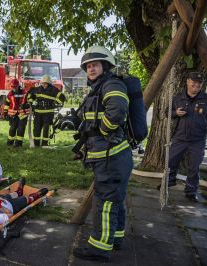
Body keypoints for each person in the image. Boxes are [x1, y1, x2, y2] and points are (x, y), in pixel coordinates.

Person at [72, 46, 133, 262]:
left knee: (105, 203)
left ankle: (99, 248)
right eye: (88, 66)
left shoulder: (112, 84)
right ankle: (115, 238)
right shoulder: (98, 88)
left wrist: (104, 131)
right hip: (110, 158)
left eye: (95, 65)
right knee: (115, 199)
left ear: (105, 66)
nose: (91, 69)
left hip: (111, 157)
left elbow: (116, 111)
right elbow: (87, 116)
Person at [158, 72, 207, 202]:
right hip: (179, 138)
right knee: (170, 161)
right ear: (187, 81)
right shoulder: (177, 98)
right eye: (194, 84)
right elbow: (167, 112)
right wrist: (175, 113)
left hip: (198, 140)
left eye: (199, 85)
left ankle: (191, 191)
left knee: (194, 166)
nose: (196, 87)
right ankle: (169, 181)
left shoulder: (205, 99)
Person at [27, 74, 65, 146]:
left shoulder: (54, 90)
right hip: (38, 113)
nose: (44, 85)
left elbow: (62, 98)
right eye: (43, 83)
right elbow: (30, 96)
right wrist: (31, 103)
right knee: (37, 129)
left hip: (48, 113)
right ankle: (36, 143)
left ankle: (45, 144)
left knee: (46, 129)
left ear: (49, 83)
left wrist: (55, 103)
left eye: (46, 83)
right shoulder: (37, 89)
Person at [3, 79, 30, 147]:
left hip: (22, 114)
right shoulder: (10, 94)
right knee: (12, 129)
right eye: (12, 87)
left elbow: (30, 101)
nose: (13, 88)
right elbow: (7, 104)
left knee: (21, 129)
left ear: (18, 86)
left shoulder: (25, 92)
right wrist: (5, 113)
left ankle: (18, 144)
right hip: (13, 115)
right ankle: (10, 143)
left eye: (15, 87)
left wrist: (27, 105)